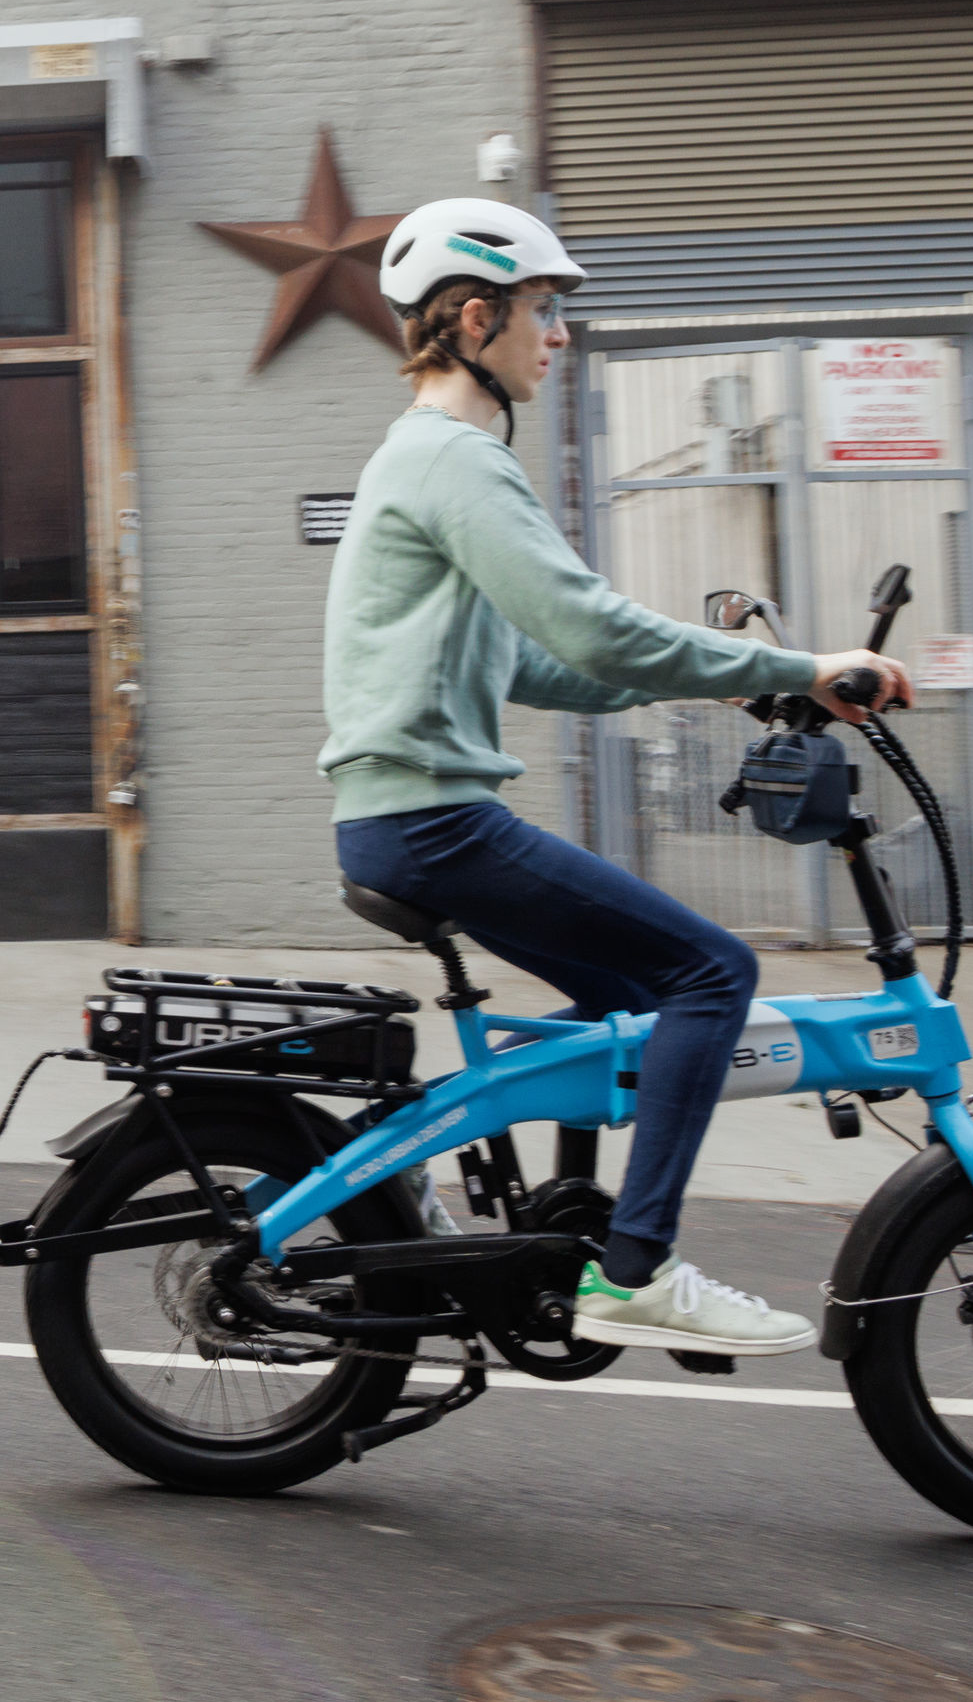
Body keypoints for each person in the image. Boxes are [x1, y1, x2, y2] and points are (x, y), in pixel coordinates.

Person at [317, 198, 911, 1355]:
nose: (562, 334)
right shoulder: (456, 463)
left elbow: (539, 662)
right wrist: (798, 662)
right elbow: (595, 629)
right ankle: (635, 1268)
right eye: (546, 309)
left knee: (631, 1007)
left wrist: (731, 686)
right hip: (433, 824)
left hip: (411, 817)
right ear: (478, 318)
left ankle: (569, 1232)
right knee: (710, 972)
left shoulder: (438, 461)